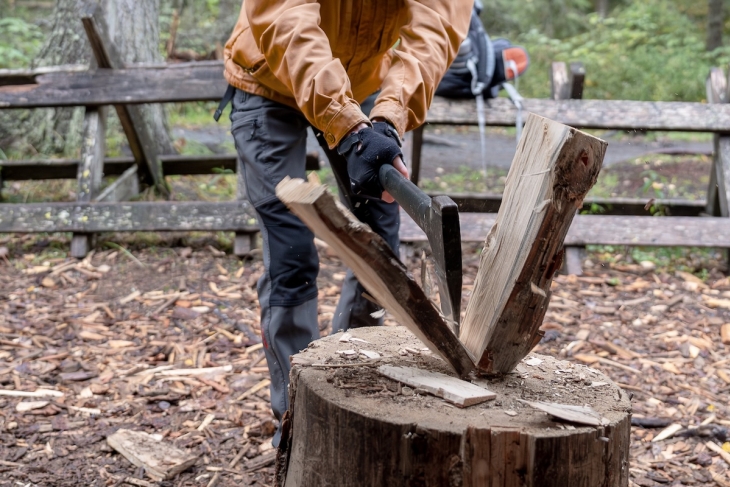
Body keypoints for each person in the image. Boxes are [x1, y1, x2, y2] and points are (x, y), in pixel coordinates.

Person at [220, 0, 473, 447]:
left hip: (361, 85)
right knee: (291, 251)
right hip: (267, 76)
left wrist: (387, 119)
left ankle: (349, 385)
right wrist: (346, 124)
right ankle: (298, 416)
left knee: (378, 242)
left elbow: (433, 32)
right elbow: (285, 18)